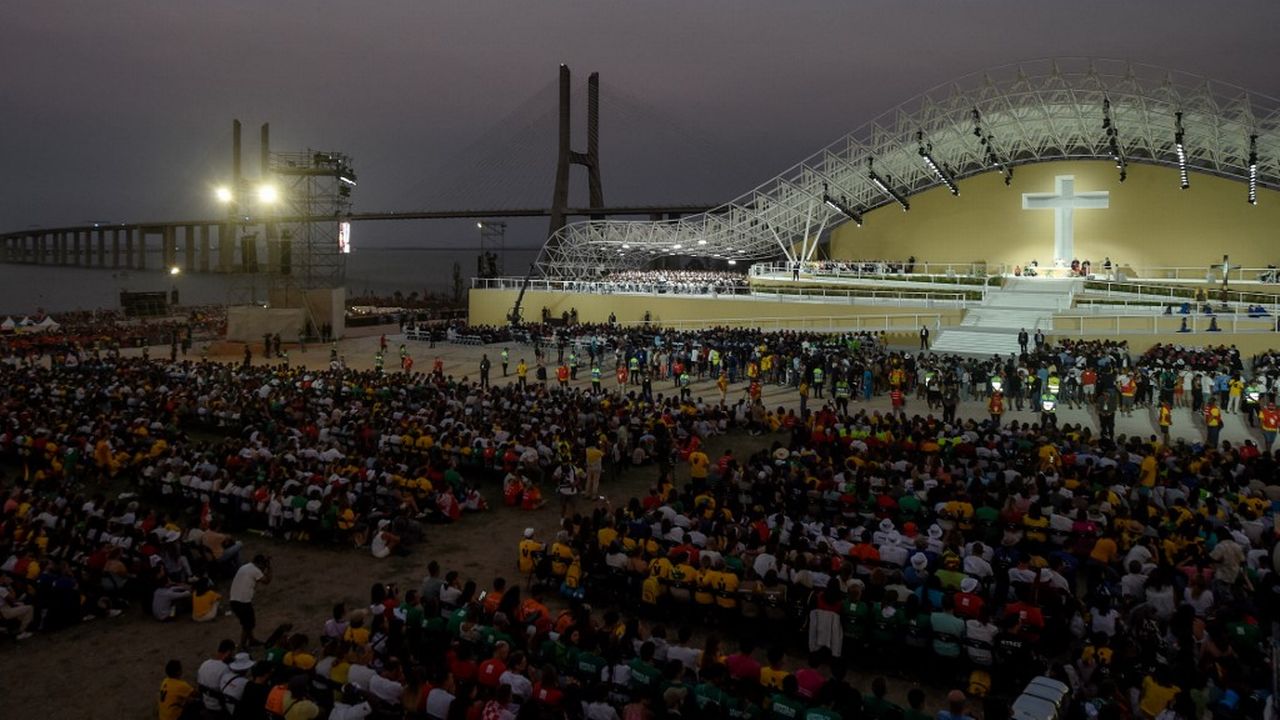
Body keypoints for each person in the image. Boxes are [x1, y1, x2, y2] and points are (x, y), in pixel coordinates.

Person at [230, 554, 272, 649]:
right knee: (248, 625)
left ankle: (252, 640)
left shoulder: (245, 567)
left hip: (235, 600)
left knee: (248, 623)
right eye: (263, 565)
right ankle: (242, 646)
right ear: (260, 564)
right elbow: (267, 581)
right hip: (242, 602)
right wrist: (269, 568)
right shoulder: (255, 570)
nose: (263, 568)